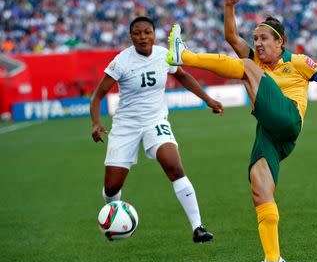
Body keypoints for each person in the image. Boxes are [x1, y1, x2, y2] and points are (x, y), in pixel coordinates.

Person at [166, 0, 317, 262]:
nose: (258, 43)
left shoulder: (298, 62)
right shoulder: (255, 62)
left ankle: (183, 55)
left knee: (247, 67)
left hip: (288, 121)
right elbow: (231, 38)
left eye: (264, 39)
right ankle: (273, 260)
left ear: (280, 42)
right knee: (260, 189)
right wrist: (228, 6)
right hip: (271, 133)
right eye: (256, 38)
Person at [90, 16, 224, 243]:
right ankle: (114, 216)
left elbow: (183, 76)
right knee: (112, 188)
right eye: (137, 33)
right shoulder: (121, 61)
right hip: (126, 126)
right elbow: (98, 96)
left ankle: (198, 227)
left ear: (154, 34)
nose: (143, 37)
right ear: (131, 37)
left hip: (156, 121)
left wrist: (208, 100)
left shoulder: (164, 55)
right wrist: (96, 122)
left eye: (147, 32)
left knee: (174, 166)